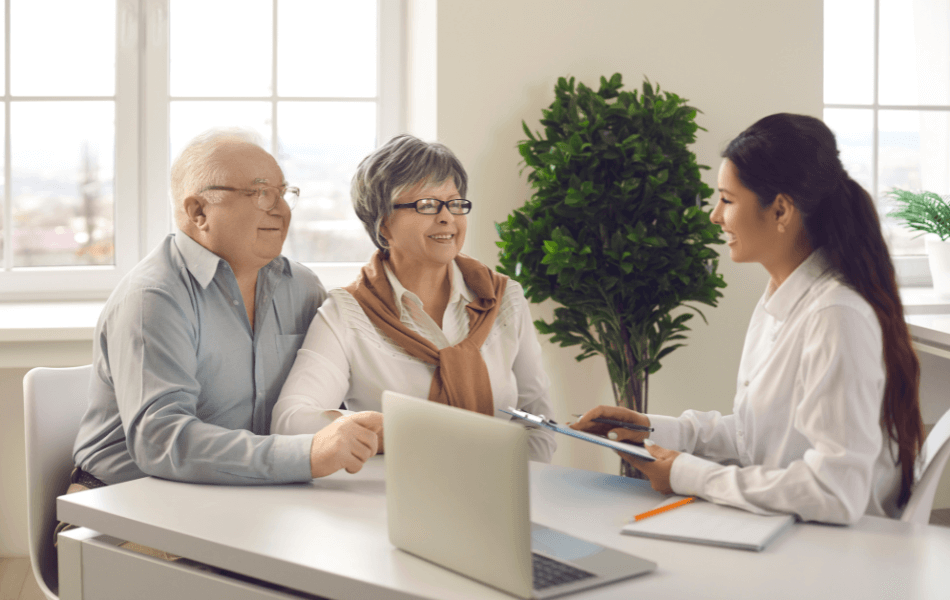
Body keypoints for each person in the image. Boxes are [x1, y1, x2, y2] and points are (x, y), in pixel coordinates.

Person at [571, 113, 924, 525]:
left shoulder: (835, 315)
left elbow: (834, 492)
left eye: (727, 199)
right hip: (788, 532)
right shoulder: (781, 298)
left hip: (836, 555)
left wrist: (688, 474)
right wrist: (652, 429)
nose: (714, 216)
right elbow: (757, 436)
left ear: (780, 211)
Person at [71, 129, 384, 495]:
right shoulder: (153, 297)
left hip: (242, 493)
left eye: (284, 194)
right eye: (261, 193)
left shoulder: (302, 287)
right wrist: (308, 453)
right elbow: (161, 441)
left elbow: (321, 397)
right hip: (123, 499)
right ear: (198, 211)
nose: (281, 209)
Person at [272, 134, 556, 462]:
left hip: (509, 495)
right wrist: (386, 431)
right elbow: (290, 420)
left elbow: (539, 421)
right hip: (391, 501)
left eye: (455, 202)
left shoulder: (505, 299)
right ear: (384, 225)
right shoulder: (347, 313)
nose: (447, 216)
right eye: (427, 205)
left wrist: (520, 484)